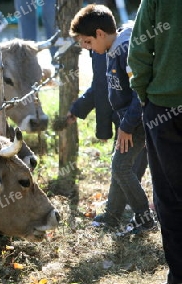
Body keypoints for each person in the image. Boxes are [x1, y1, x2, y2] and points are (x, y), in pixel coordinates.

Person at [69, 4, 155, 233]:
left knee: (121, 167)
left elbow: (139, 91)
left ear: (99, 33)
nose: (88, 48)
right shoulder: (111, 49)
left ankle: (144, 218)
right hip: (128, 121)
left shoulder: (126, 49)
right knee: (120, 166)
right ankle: (113, 215)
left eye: (88, 42)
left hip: (137, 121)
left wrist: (126, 126)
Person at [128, 0, 182, 284]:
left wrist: (145, 94)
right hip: (161, 104)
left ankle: (179, 275)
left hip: (163, 106)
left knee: (170, 196)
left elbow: (139, 49)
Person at [67, 50, 148, 181]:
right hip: (125, 120)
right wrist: (77, 109)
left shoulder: (112, 49)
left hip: (135, 120)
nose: (81, 46)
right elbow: (100, 86)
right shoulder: (101, 48)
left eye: (85, 41)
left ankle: (132, 201)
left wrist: (128, 125)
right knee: (122, 171)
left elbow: (136, 90)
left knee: (127, 171)